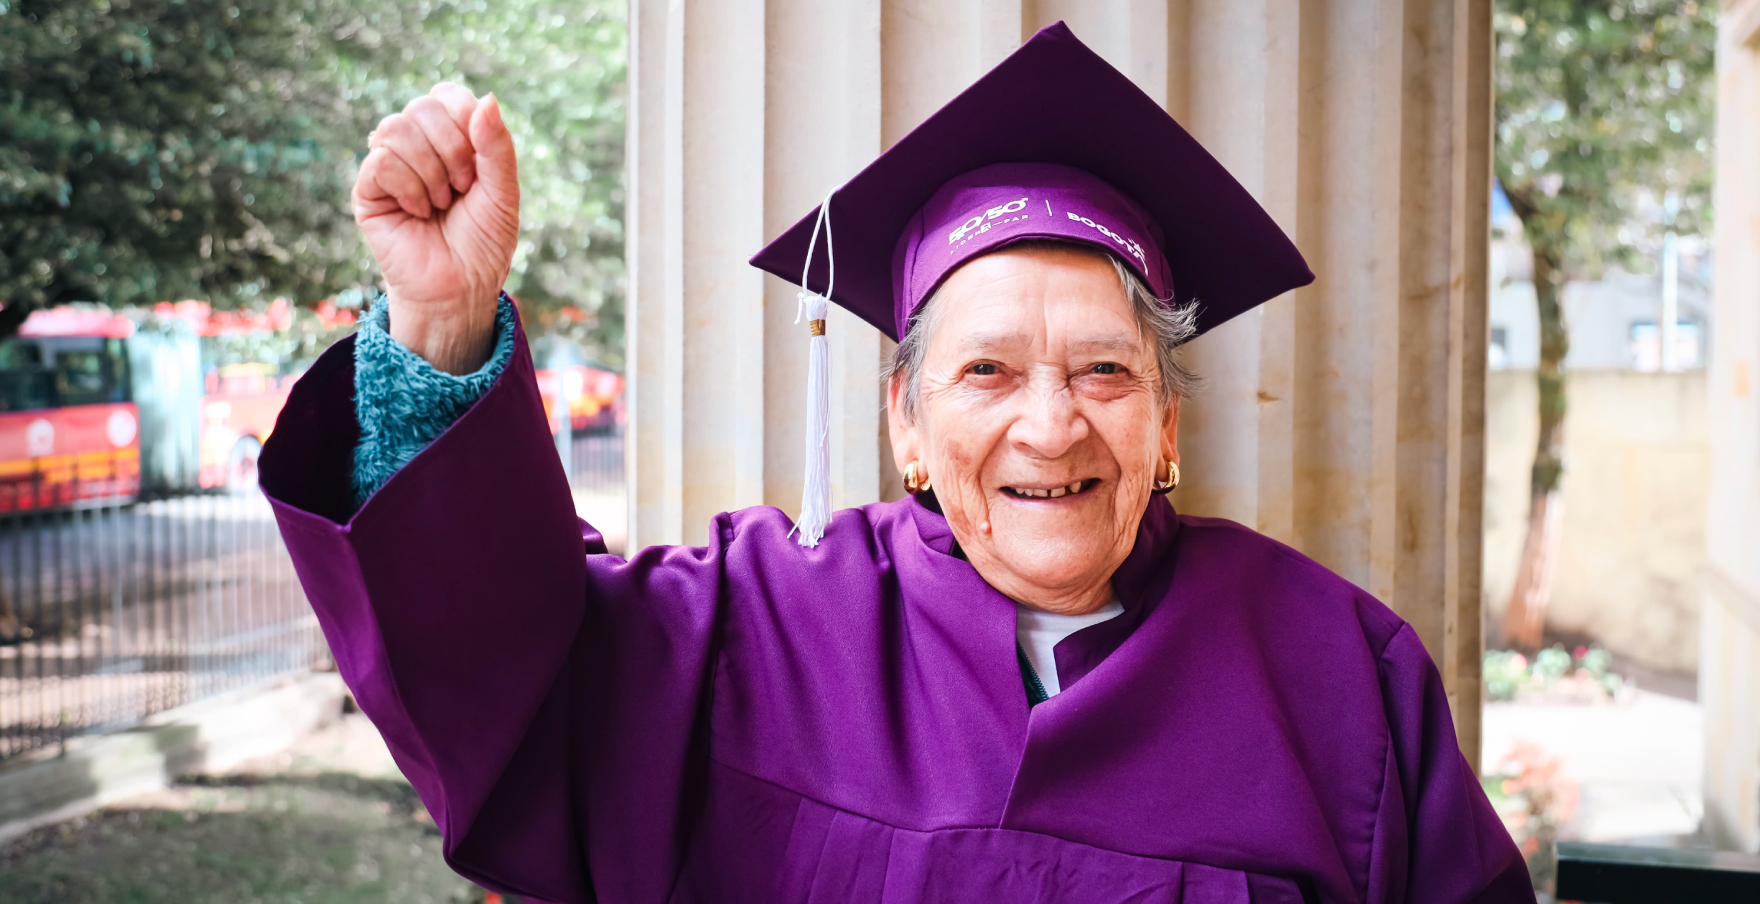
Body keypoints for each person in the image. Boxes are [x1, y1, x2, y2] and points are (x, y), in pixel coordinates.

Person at [260, 21, 1534, 904]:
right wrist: (437, 331)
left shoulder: (1334, 673)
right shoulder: (753, 622)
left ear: (1167, 424)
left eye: (1104, 371)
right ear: (905, 429)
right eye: (984, 373)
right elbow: (499, 684)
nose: (1050, 426)